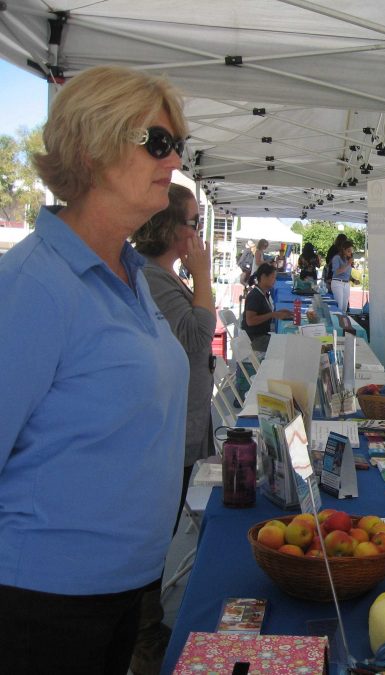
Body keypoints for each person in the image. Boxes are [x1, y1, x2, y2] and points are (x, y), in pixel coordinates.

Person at [0, 65, 190, 673]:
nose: (175, 158)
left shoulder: (129, 275)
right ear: (94, 147)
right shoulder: (33, 288)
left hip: (115, 593)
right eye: (158, 142)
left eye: (178, 144)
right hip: (39, 605)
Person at [130, 184, 216, 673]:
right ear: (169, 227)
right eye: (193, 224)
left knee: (164, 530)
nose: (197, 236)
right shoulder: (153, 277)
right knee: (156, 533)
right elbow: (199, 334)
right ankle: (144, 636)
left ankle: (145, 627)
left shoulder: (161, 276)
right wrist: (202, 274)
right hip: (171, 432)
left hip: (186, 426)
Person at [241, 262, 292, 353]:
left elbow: (265, 313)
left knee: (288, 341)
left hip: (262, 335)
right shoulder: (255, 296)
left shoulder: (263, 294)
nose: (275, 281)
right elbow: (250, 321)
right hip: (256, 339)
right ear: (263, 277)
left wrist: (278, 313)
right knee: (288, 346)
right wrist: (273, 314)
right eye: (273, 277)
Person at [330, 240, 354, 312]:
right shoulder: (336, 258)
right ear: (343, 250)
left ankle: (342, 321)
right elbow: (337, 272)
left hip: (346, 283)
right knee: (339, 306)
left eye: (351, 251)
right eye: (349, 251)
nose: (350, 253)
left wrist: (353, 279)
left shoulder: (348, 260)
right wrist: (348, 264)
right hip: (337, 283)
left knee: (344, 307)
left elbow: (347, 274)